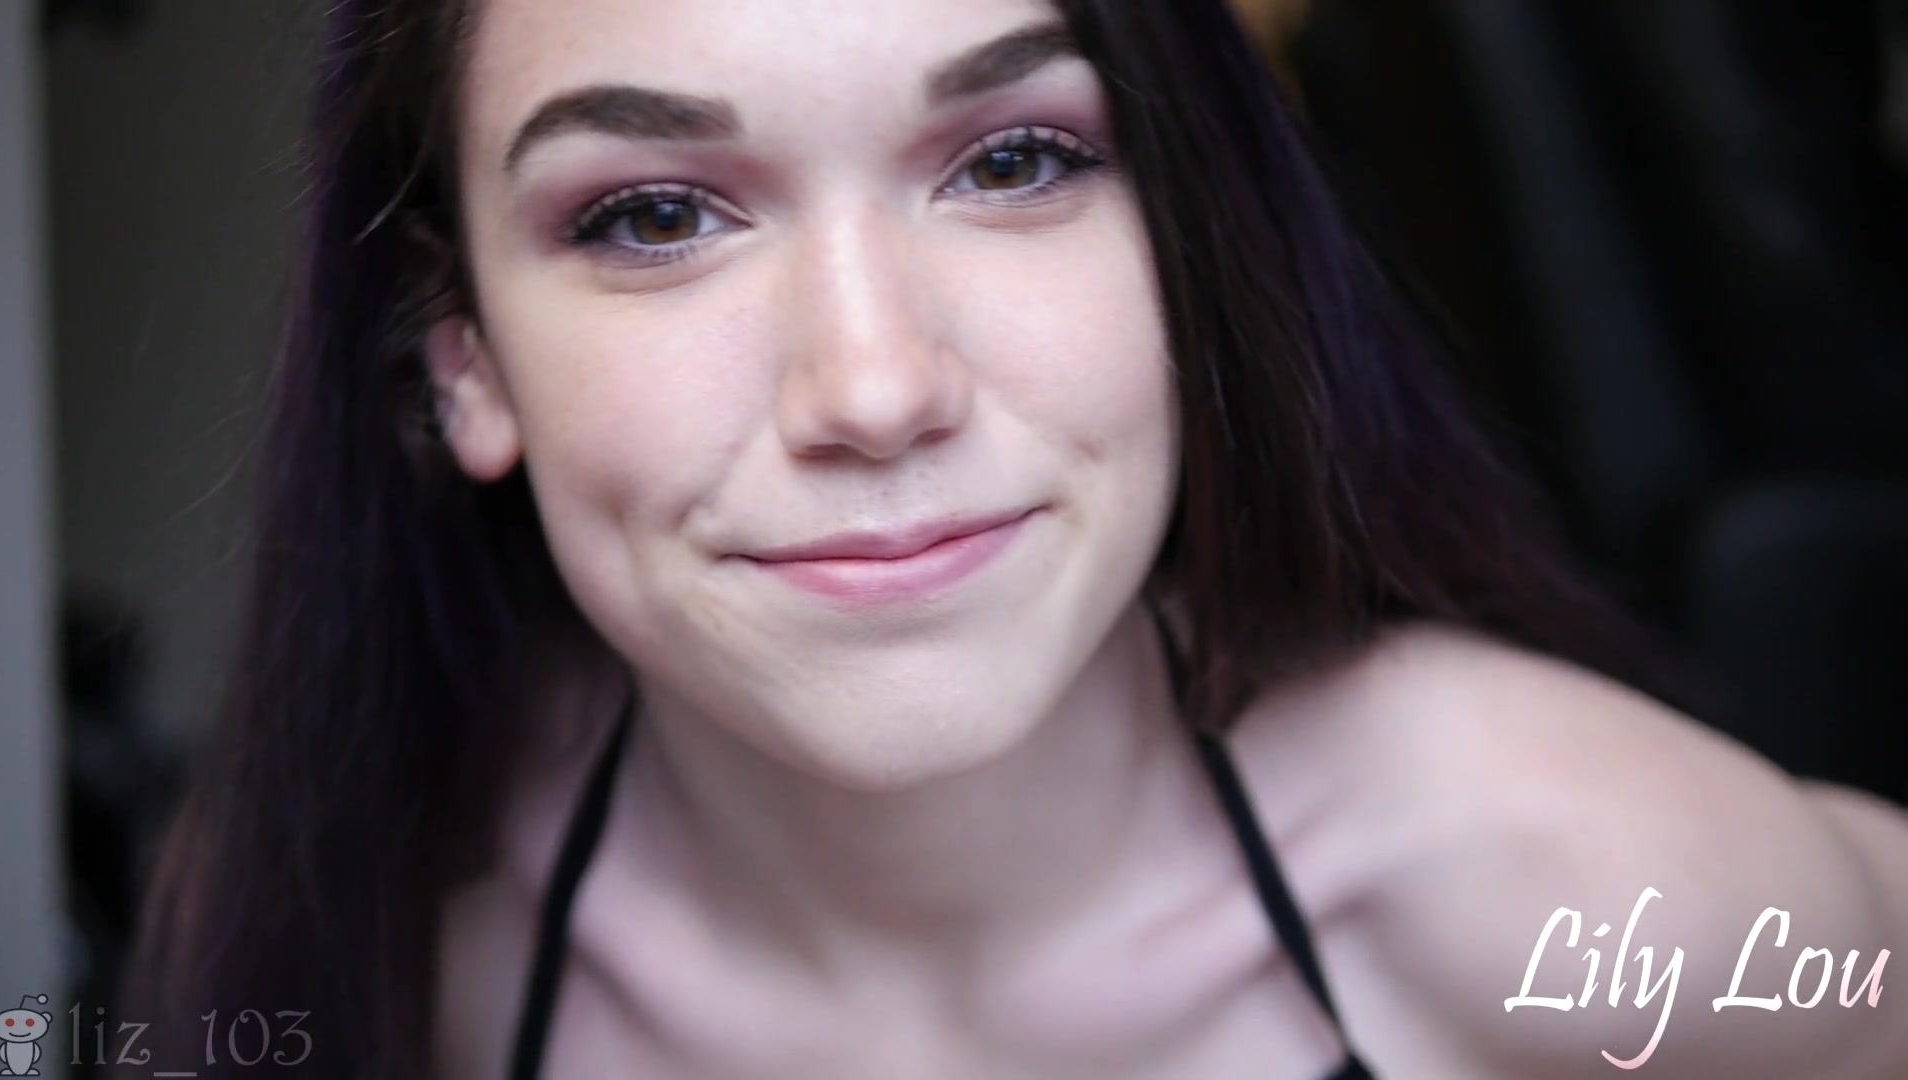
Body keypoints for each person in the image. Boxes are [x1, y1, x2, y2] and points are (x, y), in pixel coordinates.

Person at [121, 0, 1908, 1076]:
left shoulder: (1589, 894)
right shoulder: (343, 928)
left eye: (1015, 163)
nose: (876, 385)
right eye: (655, 216)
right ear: (464, 358)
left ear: (1192, 248)